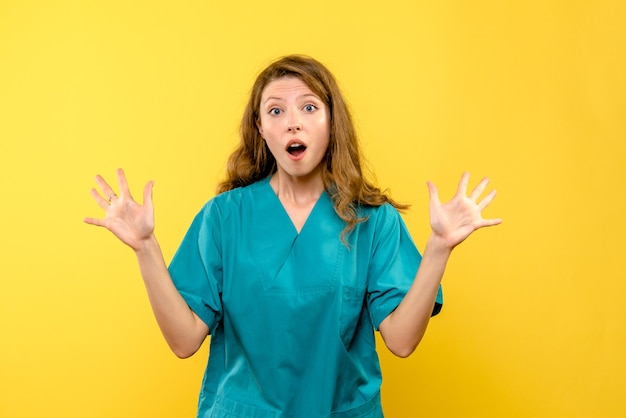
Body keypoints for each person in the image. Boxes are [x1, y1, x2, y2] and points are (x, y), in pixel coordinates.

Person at [84, 55, 501, 417]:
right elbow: (184, 340)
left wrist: (438, 248)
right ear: (261, 128)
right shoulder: (224, 218)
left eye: (308, 107)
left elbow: (402, 340)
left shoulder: (374, 221)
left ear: (331, 122)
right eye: (276, 111)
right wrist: (145, 247)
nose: (293, 122)